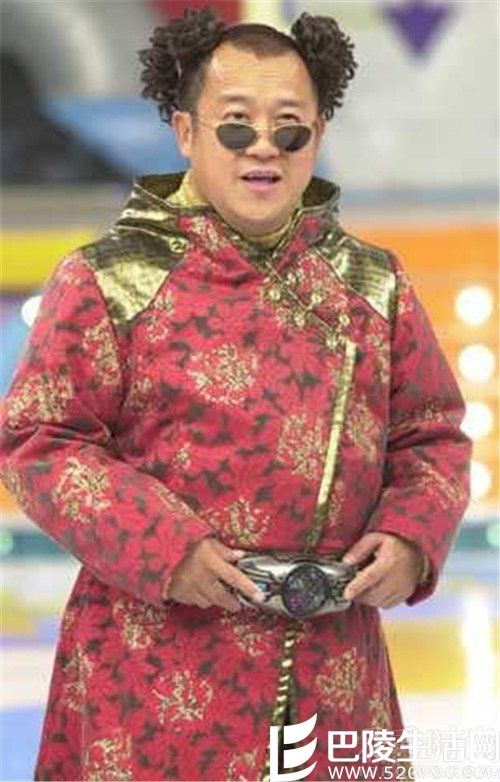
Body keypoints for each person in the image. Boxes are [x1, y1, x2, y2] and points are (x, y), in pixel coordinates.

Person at [0, 7, 472, 781]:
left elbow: (430, 435)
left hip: (334, 671)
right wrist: (167, 548)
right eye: (235, 124)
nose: (263, 146)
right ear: (185, 131)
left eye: (289, 127)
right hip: (155, 673)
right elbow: (39, 440)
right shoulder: (111, 281)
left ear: (317, 135)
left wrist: (411, 537)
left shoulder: (372, 285)